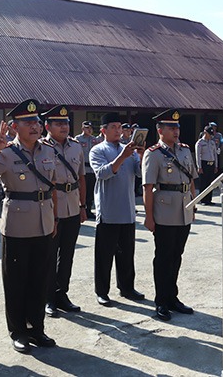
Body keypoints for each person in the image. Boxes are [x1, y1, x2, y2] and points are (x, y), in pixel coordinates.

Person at [0, 99, 58, 354]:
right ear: (14, 126)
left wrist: (54, 218)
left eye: (37, 121)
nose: (35, 126)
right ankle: (18, 331)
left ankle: (37, 329)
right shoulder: (7, 153)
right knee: (16, 282)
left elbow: (51, 187)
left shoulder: (48, 151)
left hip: (44, 224)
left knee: (40, 280)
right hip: (17, 226)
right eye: (28, 122)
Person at [142, 109, 197, 321]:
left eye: (177, 127)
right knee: (163, 258)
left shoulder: (185, 150)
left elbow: (191, 179)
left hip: (183, 210)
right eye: (171, 127)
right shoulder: (153, 153)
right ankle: (161, 301)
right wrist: (148, 216)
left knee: (176, 256)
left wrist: (193, 203)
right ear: (160, 130)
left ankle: (173, 297)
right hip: (164, 211)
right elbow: (148, 188)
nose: (176, 131)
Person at [89, 112, 145, 307]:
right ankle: (102, 291)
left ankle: (127, 287)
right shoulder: (98, 150)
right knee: (104, 255)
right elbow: (102, 173)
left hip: (128, 209)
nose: (118, 131)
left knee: (127, 253)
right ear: (103, 130)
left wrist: (141, 155)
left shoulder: (128, 150)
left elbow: (139, 174)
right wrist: (123, 156)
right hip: (109, 210)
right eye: (113, 127)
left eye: (120, 127)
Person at [40, 105, 87, 317]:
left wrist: (84, 206)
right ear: (47, 126)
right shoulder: (40, 147)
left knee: (67, 255)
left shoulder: (76, 146)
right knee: (49, 255)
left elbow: (82, 177)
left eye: (66, 122)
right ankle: (48, 298)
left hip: (73, 206)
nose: (63, 126)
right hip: (51, 208)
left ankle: (62, 294)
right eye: (58, 123)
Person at [75, 120, 101, 219]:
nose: (89, 130)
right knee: (81, 189)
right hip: (82, 168)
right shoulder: (77, 139)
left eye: (90, 128)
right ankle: (80, 208)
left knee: (90, 190)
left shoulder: (94, 140)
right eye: (87, 128)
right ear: (82, 129)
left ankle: (88, 210)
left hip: (91, 169)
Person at [195, 125, 218, 205]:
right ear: (205, 133)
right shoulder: (200, 143)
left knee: (210, 182)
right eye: (209, 134)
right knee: (203, 183)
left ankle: (209, 199)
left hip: (211, 164)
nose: (210, 136)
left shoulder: (212, 142)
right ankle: (203, 200)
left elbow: (215, 154)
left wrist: (216, 165)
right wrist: (199, 167)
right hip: (204, 164)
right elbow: (198, 156)